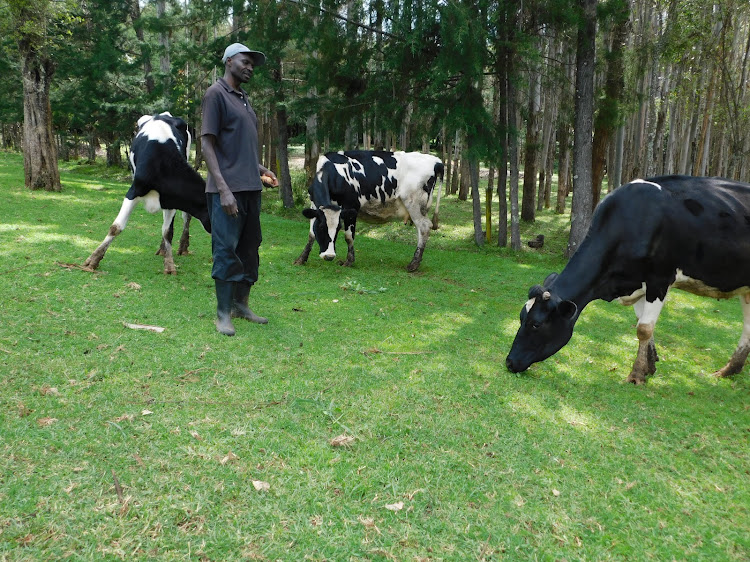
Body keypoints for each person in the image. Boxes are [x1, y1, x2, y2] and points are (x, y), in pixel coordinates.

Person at [201, 42, 279, 336]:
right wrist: (223, 189)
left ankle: (241, 305)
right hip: (227, 190)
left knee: (249, 248)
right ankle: (223, 314)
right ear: (229, 60)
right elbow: (207, 144)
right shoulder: (215, 95)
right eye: (245, 62)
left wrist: (260, 170)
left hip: (250, 188)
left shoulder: (244, 98)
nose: (250, 68)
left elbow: (237, 147)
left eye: (252, 65)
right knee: (225, 249)